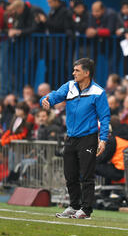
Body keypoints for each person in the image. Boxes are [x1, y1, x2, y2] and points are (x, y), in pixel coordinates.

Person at [40, 58, 110, 219]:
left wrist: (103, 139)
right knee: (70, 174)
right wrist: (46, 100)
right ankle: (74, 205)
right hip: (71, 138)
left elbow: (104, 117)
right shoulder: (69, 86)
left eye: (77, 70)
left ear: (87, 73)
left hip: (88, 138)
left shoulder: (98, 93)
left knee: (86, 175)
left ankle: (86, 210)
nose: (73, 73)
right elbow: (55, 96)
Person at [96, 117, 128, 184]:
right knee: (108, 166)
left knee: (91, 165)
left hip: (119, 172)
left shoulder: (115, 140)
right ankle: (106, 192)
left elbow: (103, 157)